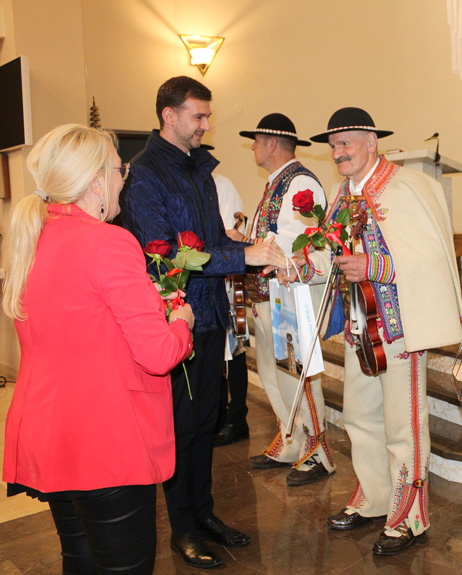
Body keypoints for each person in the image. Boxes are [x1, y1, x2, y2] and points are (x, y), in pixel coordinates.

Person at [1, 124, 195, 574]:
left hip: (49, 432)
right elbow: (158, 354)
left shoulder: (32, 239)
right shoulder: (109, 243)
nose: (125, 177)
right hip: (105, 439)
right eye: (118, 168)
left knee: (81, 560)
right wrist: (180, 324)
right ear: (95, 183)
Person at [120, 76, 287, 568]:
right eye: (198, 116)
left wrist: (254, 253)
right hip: (175, 317)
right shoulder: (146, 174)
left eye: (207, 116)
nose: (206, 125)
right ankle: (182, 529)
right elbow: (165, 257)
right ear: (169, 116)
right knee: (181, 429)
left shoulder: (198, 170)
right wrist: (243, 256)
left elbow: (212, 239)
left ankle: (205, 514)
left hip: (208, 315)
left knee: (205, 423)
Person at [310, 107, 462, 556]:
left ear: (371, 141)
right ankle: (375, 497)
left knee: (404, 427)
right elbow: (329, 248)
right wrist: (302, 264)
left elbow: (430, 259)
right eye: (333, 145)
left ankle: (409, 517)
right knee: (360, 417)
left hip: (400, 326)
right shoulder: (343, 194)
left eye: (346, 143)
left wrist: (374, 266)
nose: (338, 152)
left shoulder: (409, 186)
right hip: (361, 327)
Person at [238, 113, 336, 484]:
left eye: (256, 140)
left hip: (291, 295)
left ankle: (318, 451)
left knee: (298, 375)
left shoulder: (299, 183)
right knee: (273, 373)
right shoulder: (276, 183)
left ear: (273, 143)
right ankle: (292, 438)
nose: (252, 147)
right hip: (269, 294)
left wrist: (248, 247)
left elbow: (300, 242)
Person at [211, 167, 251, 447]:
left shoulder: (222, 185)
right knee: (214, 355)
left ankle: (237, 418)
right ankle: (215, 417)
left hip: (227, 281)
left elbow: (234, 232)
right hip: (204, 280)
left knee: (234, 352)